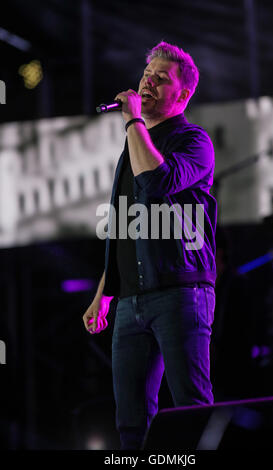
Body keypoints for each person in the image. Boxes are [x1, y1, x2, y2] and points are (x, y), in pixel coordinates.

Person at [83, 41, 217, 450]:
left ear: (184, 93)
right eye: (147, 74)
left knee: (191, 409)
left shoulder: (195, 142)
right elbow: (125, 224)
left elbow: (156, 184)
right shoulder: (134, 143)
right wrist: (105, 292)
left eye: (162, 78)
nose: (149, 82)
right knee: (130, 424)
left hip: (180, 292)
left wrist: (133, 123)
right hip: (130, 302)